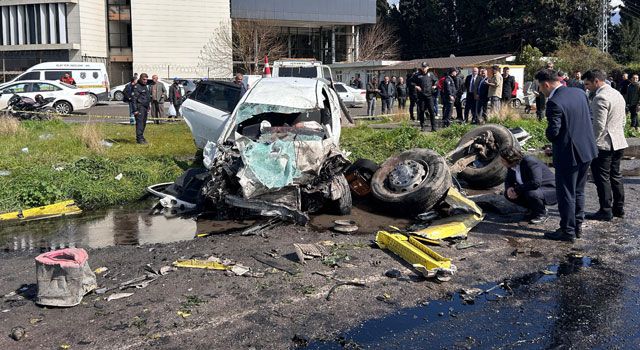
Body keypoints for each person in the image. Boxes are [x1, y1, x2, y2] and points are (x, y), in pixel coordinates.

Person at [536, 68, 598, 242]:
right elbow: (590, 118)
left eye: (540, 87)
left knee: (566, 193)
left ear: (546, 84)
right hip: (586, 150)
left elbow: (553, 132)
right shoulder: (579, 93)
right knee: (579, 191)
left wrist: (550, 138)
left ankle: (567, 231)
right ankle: (577, 226)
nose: (541, 91)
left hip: (568, 154)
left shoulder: (554, 102)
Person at [582, 69, 628, 221]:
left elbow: (598, 126)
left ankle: (605, 210)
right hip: (619, 141)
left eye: (587, 84)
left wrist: (591, 143)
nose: (586, 87)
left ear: (596, 81)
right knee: (615, 175)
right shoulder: (617, 94)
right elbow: (623, 121)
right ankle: (619, 208)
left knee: (602, 178)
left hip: (605, 144)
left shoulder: (600, 97)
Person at [501, 146, 557, 224]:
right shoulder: (511, 166)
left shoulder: (529, 162)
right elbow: (508, 179)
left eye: (503, 160)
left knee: (531, 193)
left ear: (510, 159)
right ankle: (533, 209)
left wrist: (517, 189)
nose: (502, 162)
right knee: (508, 194)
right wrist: (509, 188)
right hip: (531, 188)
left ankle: (541, 213)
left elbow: (536, 183)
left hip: (549, 188)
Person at [410, 62, 437, 131]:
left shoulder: (431, 74)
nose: (423, 68)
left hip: (429, 96)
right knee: (421, 111)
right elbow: (411, 82)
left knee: (431, 111)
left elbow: (436, 81)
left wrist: (435, 86)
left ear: (428, 67)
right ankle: (422, 126)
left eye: (425, 67)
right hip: (421, 96)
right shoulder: (417, 75)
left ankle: (433, 127)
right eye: (422, 67)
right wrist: (416, 86)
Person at [133, 73, 152, 144]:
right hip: (139, 108)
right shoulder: (137, 87)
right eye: (144, 79)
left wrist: (148, 106)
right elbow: (134, 99)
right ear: (140, 79)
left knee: (144, 123)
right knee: (140, 124)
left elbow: (147, 97)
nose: (145, 81)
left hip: (145, 108)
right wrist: (135, 110)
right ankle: (139, 139)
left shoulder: (145, 86)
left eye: (146, 79)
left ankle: (141, 136)